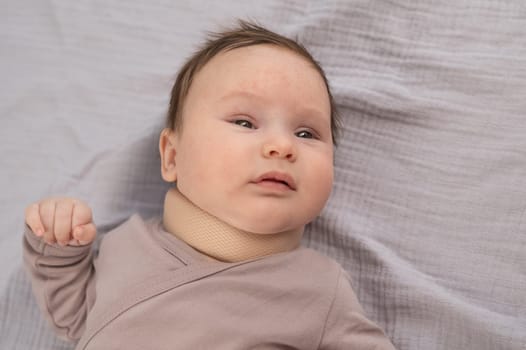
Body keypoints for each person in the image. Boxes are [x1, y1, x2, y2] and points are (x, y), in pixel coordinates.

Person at [23, 21, 396, 349]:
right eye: (245, 123)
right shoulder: (125, 244)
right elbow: (71, 317)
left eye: (306, 132)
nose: (282, 146)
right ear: (172, 157)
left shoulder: (319, 289)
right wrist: (58, 246)